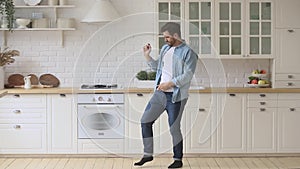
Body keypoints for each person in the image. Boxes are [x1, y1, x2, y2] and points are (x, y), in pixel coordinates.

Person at [134, 22, 198, 168]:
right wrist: (147, 56)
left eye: (167, 37)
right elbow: (158, 67)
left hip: (176, 96)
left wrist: (169, 84)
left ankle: (177, 159)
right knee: (145, 121)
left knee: (174, 128)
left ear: (176, 35)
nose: (165, 39)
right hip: (160, 94)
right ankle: (148, 154)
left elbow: (187, 75)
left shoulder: (189, 53)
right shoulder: (165, 49)